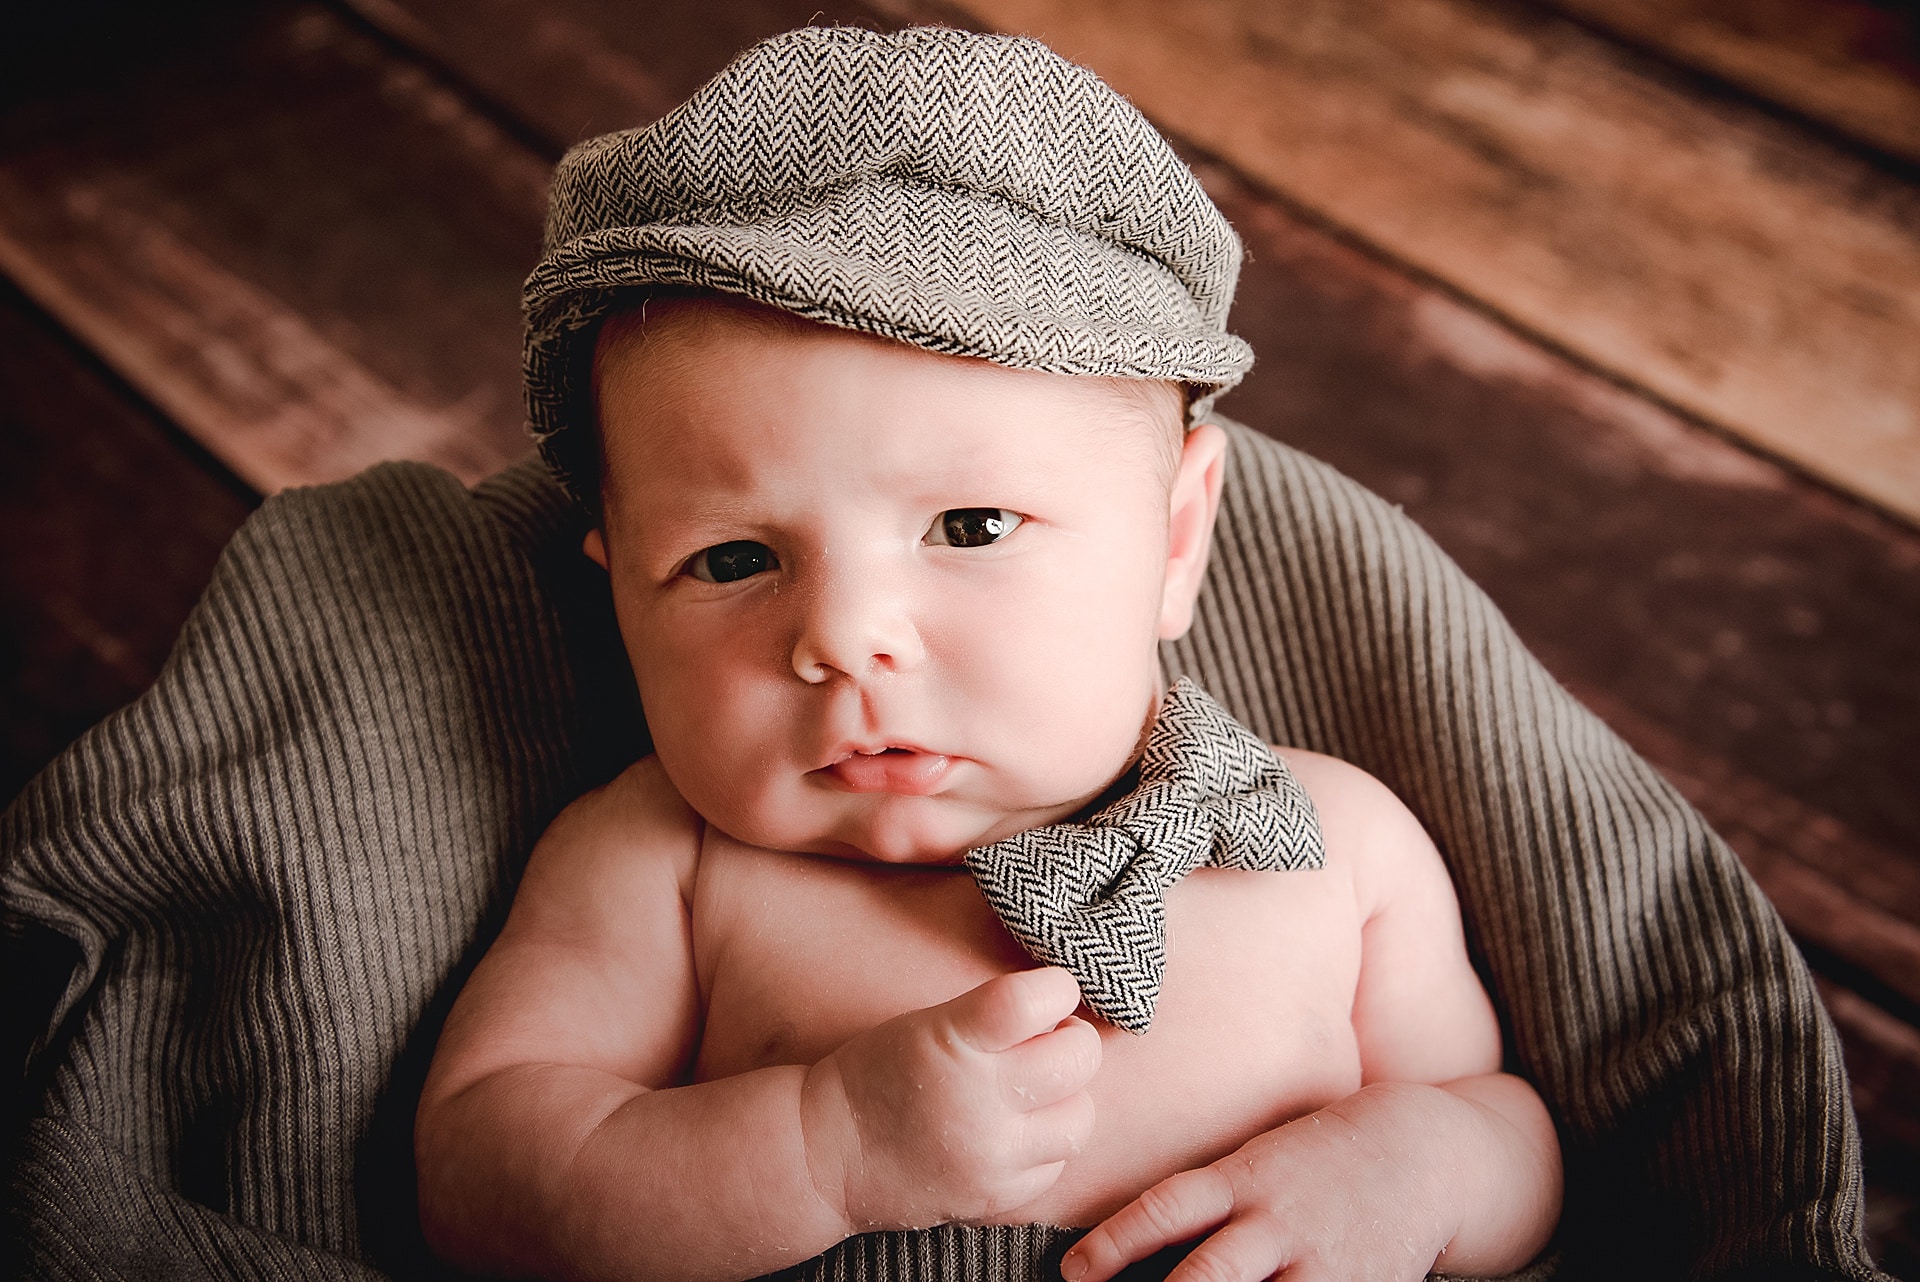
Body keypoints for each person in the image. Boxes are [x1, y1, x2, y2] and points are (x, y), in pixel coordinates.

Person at [412, 25, 1562, 1282]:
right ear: (620, 588)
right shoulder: (664, 864)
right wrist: (821, 1148)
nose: (843, 637)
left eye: (970, 527)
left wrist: (1408, 1166)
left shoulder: (1331, 845)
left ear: (1175, 540)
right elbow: (482, 1178)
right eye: (733, 558)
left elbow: (1501, 1120)